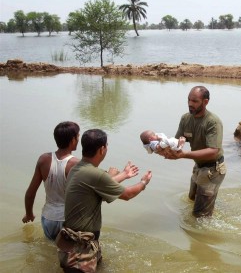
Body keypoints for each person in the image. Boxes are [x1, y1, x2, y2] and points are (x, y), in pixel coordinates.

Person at [56, 128, 152, 272]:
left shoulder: (77, 169)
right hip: (80, 247)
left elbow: (99, 186)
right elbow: (127, 194)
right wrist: (143, 182)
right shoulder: (95, 174)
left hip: (75, 241)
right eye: (106, 146)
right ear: (102, 149)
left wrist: (124, 175)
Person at [159, 86, 226, 217]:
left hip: (213, 169)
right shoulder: (186, 119)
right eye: (189, 100)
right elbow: (177, 142)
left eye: (195, 101)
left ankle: (204, 234)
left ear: (205, 102)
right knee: (192, 199)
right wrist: (160, 147)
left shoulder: (212, 122)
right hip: (198, 166)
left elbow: (213, 151)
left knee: (200, 215)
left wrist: (183, 155)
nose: (190, 104)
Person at [22, 121, 80, 240]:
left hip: (48, 217)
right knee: (67, 255)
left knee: (50, 250)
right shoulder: (76, 164)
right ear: (73, 140)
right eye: (78, 136)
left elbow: (30, 193)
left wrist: (29, 213)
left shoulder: (44, 159)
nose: (78, 139)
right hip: (68, 219)